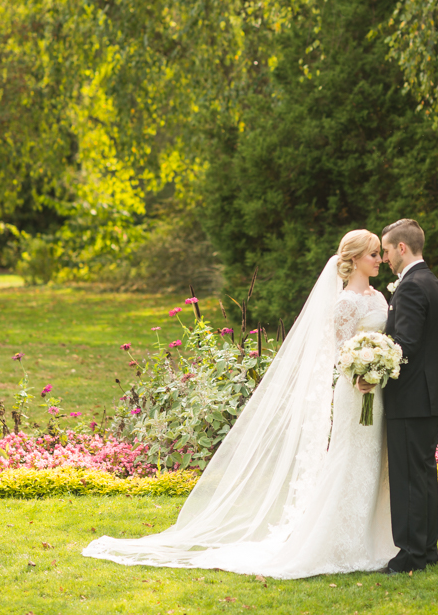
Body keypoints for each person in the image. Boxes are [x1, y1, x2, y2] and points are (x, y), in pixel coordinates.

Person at [82, 229, 396, 578]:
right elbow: (340, 352)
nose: (379, 260)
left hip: (379, 390)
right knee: (350, 459)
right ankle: (341, 543)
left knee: (373, 461)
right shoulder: (345, 304)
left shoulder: (380, 298)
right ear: (353, 259)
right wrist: (360, 372)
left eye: (379, 254)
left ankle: (374, 538)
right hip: (357, 392)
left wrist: (382, 365)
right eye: (372, 255)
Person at [380, 218, 438, 573]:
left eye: (388, 250)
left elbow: (404, 346)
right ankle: (426, 550)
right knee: (423, 474)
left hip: (409, 398)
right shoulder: (432, 282)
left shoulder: (409, 288)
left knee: (409, 476)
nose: (386, 258)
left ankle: (410, 556)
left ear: (402, 248)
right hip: (429, 395)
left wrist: (374, 368)